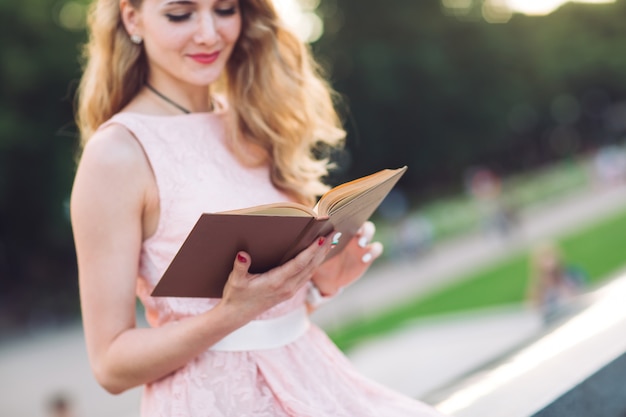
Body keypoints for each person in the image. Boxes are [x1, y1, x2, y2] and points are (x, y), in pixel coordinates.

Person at [70, 0, 447, 416]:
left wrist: (318, 283)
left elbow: (266, 314)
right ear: (132, 17)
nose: (210, 33)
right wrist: (232, 314)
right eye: (181, 14)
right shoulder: (117, 154)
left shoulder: (254, 123)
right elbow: (109, 364)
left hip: (311, 380)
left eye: (225, 9)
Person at [527, 242, 586, 324]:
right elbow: (537, 309)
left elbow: (582, 293)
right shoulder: (539, 287)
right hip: (555, 321)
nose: (548, 262)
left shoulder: (571, 274)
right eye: (544, 258)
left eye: (549, 256)